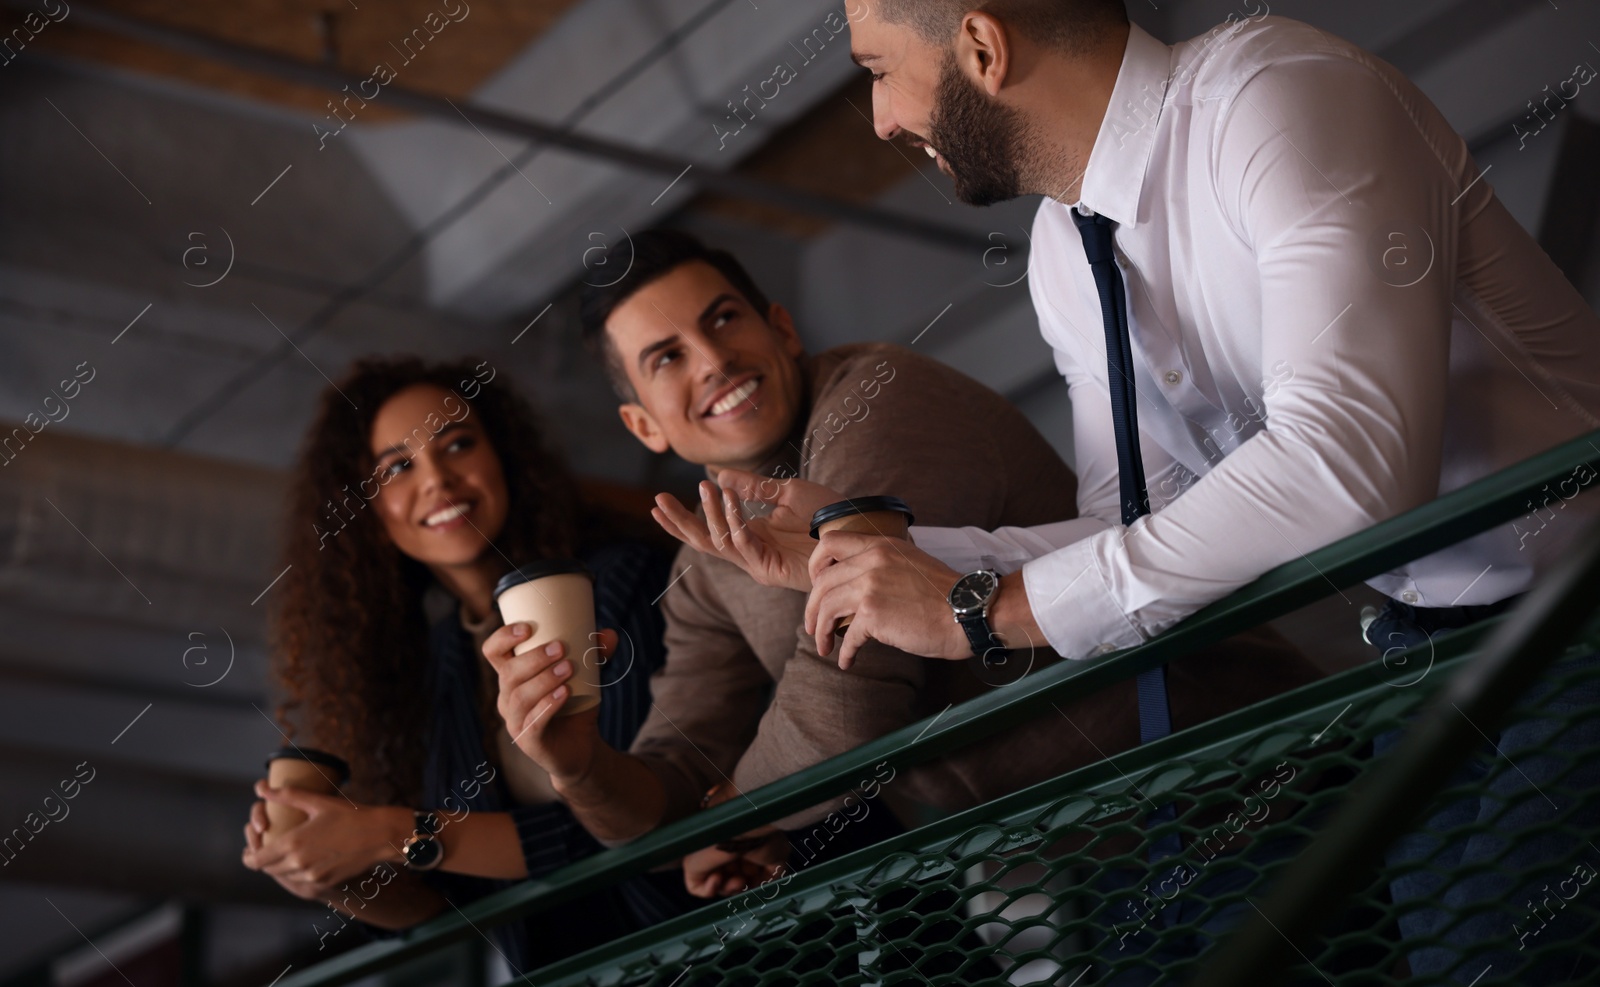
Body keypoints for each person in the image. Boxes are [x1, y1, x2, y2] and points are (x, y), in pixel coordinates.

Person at [782, 0, 1600, 982]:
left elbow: (1350, 458)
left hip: (1573, 602)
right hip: (1425, 647)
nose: (884, 118)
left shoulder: (1276, 97)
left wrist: (979, 612)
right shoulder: (1064, 253)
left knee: (1489, 955)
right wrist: (871, 557)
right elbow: (1129, 527)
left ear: (983, 48)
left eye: (881, 74)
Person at [482, 229, 1319, 903]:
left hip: (1236, 772)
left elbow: (855, 677)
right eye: (666, 356)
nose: (712, 360)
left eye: (724, 318)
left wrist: (726, 822)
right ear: (643, 427)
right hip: (1094, 860)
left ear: (781, 327)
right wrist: (577, 763)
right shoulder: (707, 565)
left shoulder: (878, 395)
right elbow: (671, 772)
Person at [241, 356, 688, 971]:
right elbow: (451, 900)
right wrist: (326, 875)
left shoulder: (616, 583)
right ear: (366, 512)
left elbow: (641, 822)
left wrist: (390, 831)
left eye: (457, 444)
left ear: (504, 457)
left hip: (724, 948)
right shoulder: (441, 662)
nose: (438, 479)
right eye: (397, 467)